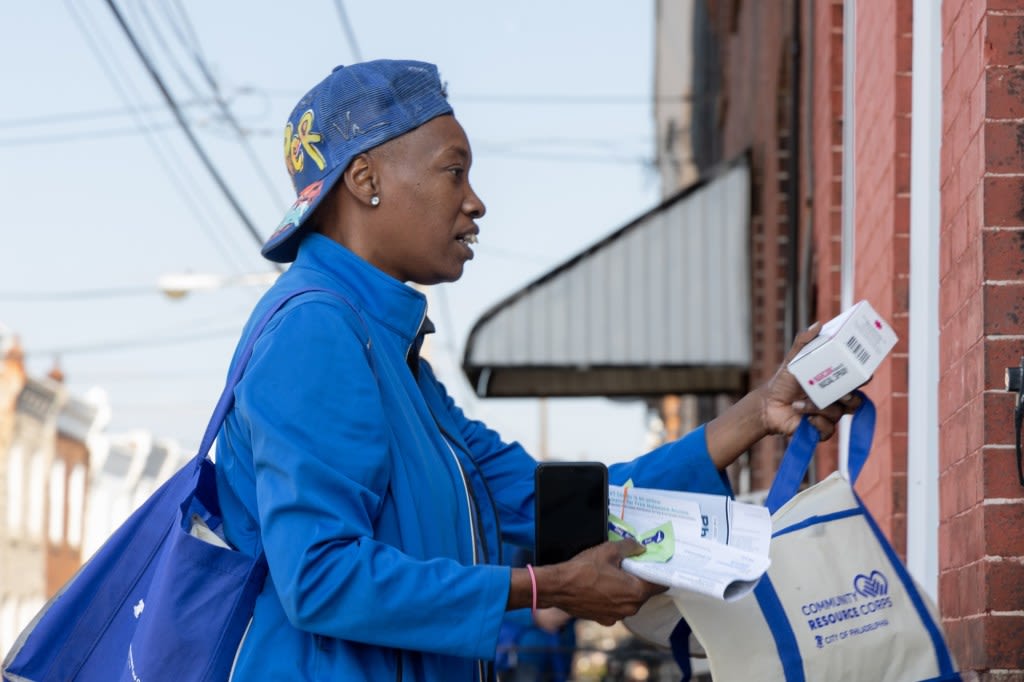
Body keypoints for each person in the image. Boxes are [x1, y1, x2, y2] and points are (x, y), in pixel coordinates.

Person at [213, 59, 858, 681]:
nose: (476, 203)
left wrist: (761, 413)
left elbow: (553, 502)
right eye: (454, 171)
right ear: (365, 180)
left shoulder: (388, 351)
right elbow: (321, 578)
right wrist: (542, 587)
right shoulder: (313, 331)